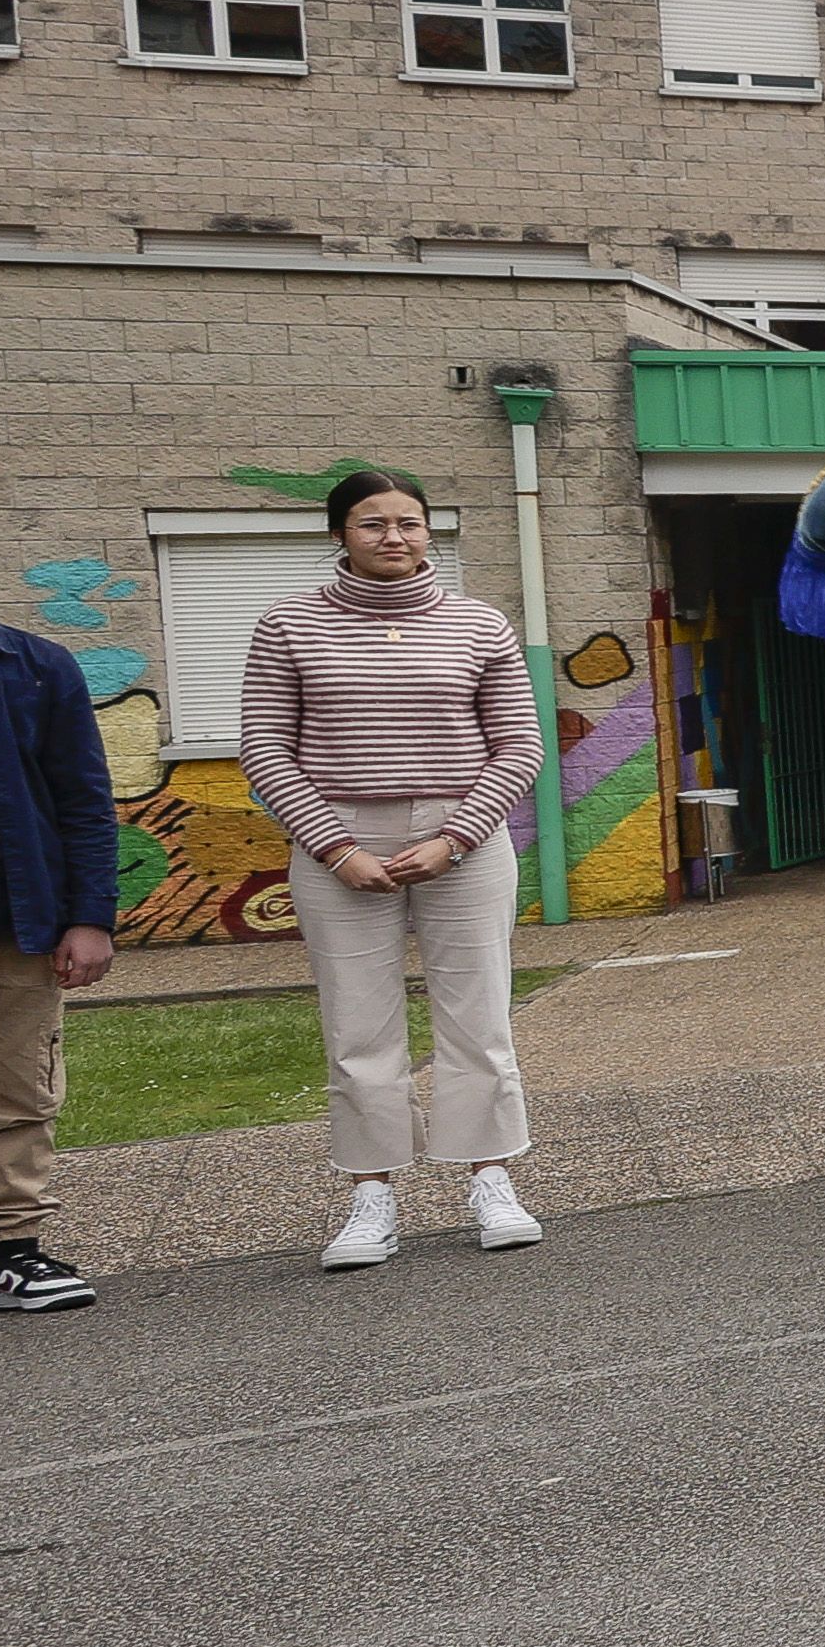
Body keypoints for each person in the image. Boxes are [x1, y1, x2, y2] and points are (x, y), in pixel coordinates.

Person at [239, 467, 543, 1272]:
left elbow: (520, 744)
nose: (394, 538)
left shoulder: (480, 624)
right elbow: (265, 747)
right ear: (339, 533)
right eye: (373, 524)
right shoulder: (288, 625)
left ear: (427, 532)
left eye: (409, 523)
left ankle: (491, 1178)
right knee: (357, 1027)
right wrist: (335, 849)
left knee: (478, 1019)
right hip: (337, 842)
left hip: (462, 842)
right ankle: (372, 1194)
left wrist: (457, 837)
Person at [0, 490, 117, 1314]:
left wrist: (89, 916)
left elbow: (85, 801)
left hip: (17, 924)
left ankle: (18, 1252)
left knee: (20, 1092)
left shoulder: (38, 667)